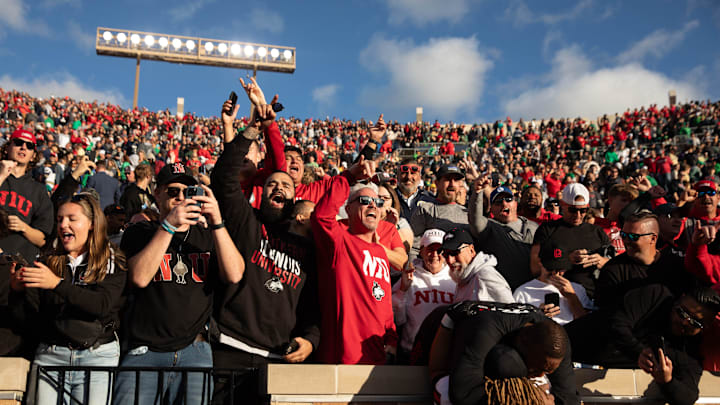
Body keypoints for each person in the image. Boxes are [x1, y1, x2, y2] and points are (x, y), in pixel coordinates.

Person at [211, 98, 320, 404]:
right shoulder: (247, 222)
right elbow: (223, 180)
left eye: (286, 185)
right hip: (230, 350)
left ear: (294, 199)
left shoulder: (307, 248)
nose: (278, 187)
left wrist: (311, 341)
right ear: (262, 191)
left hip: (279, 360)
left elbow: (314, 307)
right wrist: (249, 129)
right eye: (272, 182)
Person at [114, 163, 243, 405]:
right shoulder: (141, 232)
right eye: (173, 192)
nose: (181, 198)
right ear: (157, 193)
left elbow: (235, 274)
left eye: (189, 192)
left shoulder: (208, 236)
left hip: (194, 351)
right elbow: (139, 277)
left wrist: (216, 221)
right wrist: (168, 226)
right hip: (146, 350)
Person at [10, 192, 126, 405]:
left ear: (91, 224)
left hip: (96, 355)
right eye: (60, 219)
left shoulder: (110, 259)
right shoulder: (47, 260)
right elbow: (29, 317)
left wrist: (57, 284)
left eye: (72, 219)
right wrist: (17, 292)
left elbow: (101, 305)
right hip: (51, 355)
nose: (64, 225)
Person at [311, 170, 397, 364]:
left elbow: (384, 304)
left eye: (378, 202)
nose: (373, 205)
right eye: (364, 200)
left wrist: (392, 339)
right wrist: (348, 177)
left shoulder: (382, 253)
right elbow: (322, 216)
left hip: (378, 357)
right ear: (348, 210)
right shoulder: (339, 243)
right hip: (342, 357)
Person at [430, 301, 579, 405]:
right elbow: (463, 395)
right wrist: (530, 397)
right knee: (443, 386)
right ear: (521, 344)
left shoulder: (556, 342)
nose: (541, 375)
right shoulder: (485, 331)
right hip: (448, 320)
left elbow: (569, 398)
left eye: (546, 371)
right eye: (537, 368)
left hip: (505, 333)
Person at [609, 285, 719, 405]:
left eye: (694, 322)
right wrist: (639, 352)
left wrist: (667, 381)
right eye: (681, 312)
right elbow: (615, 323)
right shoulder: (656, 296)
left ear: (706, 327)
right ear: (678, 300)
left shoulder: (689, 350)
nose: (684, 322)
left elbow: (689, 397)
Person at [595, 212, 691, 311]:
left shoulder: (675, 264)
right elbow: (607, 311)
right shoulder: (613, 269)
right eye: (623, 235)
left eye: (633, 237)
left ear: (653, 238)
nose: (626, 241)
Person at [531, 183, 612, 299]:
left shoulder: (597, 231)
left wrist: (602, 262)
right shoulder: (547, 229)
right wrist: (567, 259)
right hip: (559, 296)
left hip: (593, 297)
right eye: (572, 210)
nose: (578, 215)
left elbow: (614, 265)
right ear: (563, 205)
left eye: (583, 210)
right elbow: (535, 267)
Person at [392, 229, 454, 360]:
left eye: (440, 250)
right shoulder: (409, 274)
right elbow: (398, 320)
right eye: (430, 249)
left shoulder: (455, 277)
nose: (435, 255)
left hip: (446, 351)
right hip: (412, 351)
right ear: (421, 251)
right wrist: (402, 290)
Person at [469, 183, 539, 289]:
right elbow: (475, 220)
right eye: (498, 202)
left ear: (515, 203)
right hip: (505, 292)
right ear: (491, 209)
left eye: (508, 199)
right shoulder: (489, 227)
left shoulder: (534, 226)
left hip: (532, 290)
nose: (504, 203)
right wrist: (477, 192)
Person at [0, 129, 54, 264]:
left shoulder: (39, 191)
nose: (23, 147)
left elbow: (42, 240)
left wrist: (23, 227)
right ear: (7, 148)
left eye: (29, 146)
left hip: (18, 266)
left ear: (33, 156)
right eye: (18, 143)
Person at [514, 241, 592, 325]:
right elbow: (515, 326)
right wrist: (537, 316)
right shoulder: (522, 292)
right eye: (550, 268)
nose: (555, 273)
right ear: (540, 263)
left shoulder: (578, 289)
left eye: (560, 269)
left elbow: (586, 325)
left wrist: (572, 297)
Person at [409, 164, 469, 259]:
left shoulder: (467, 213)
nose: (452, 184)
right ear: (437, 183)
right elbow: (413, 247)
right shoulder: (425, 209)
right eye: (447, 179)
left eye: (456, 180)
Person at [441, 227, 513, 303]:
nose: (450, 260)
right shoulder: (464, 278)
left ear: (471, 250)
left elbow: (510, 311)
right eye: (445, 254)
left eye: (454, 253)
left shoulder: (485, 276)